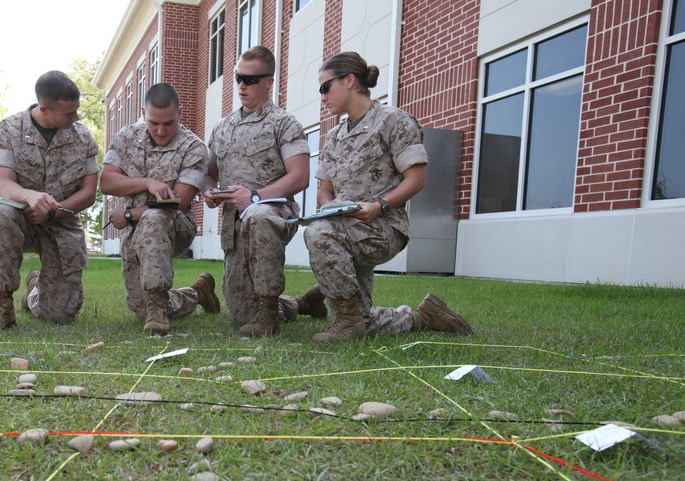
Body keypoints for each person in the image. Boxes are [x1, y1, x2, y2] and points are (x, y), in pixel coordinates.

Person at [305, 51, 471, 342]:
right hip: (344, 225)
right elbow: (324, 187)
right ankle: (423, 317)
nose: (322, 96)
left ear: (349, 81)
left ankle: (347, 321)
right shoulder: (334, 136)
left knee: (318, 234)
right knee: (362, 318)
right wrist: (328, 203)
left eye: (325, 87)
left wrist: (379, 205)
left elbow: (416, 179)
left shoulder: (394, 121)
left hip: (382, 226)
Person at [204, 45, 327, 337]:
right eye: (238, 78)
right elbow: (208, 174)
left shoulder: (284, 124)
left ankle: (270, 312)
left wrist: (255, 197)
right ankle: (303, 304)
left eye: (251, 79)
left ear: (269, 81)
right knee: (241, 312)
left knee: (258, 214)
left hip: (272, 214)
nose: (242, 86)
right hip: (234, 225)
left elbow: (300, 177)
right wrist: (210, 192)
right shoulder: (222, 128)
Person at [0, 70, 98, 330]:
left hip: (61, 223)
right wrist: (31, 196)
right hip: (21, 219)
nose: (76, 117)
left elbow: (88, 193)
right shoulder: (8, 130)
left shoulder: (83, 137)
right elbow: (5, 184)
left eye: (77, 110)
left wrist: (54, 211)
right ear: (44, 108)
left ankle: (34, 291)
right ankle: (2, 307)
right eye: (69, 113)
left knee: (59, 315)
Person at [101, 83, 220, 335]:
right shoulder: (126, 138)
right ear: (144, 114)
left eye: (168, 123)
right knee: (137, 306)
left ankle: (158, 309)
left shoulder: (193, 147)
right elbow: (107, 182)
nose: (161, 130)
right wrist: (146, 182)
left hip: (174, 226)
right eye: (154, 123)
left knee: (155, 217)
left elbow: (180, 201)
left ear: (180, 113)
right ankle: (198, 293)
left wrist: (129, 214)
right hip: (133, 230)